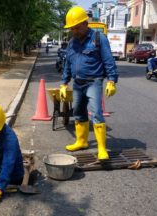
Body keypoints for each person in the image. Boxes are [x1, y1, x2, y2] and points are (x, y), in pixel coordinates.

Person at [59, 6, 118, 161]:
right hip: (78, 83)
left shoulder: (99, 39)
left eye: (77, 27)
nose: (75, 31)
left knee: (96, 112)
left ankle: (101, 148)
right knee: (78, 112)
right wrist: (64, 83)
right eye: (72, 28)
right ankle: (82, 141)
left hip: (94, 82)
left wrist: (112, 80)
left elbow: (108, 61)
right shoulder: (72, 43)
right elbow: (68, 64)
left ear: (86, 23)